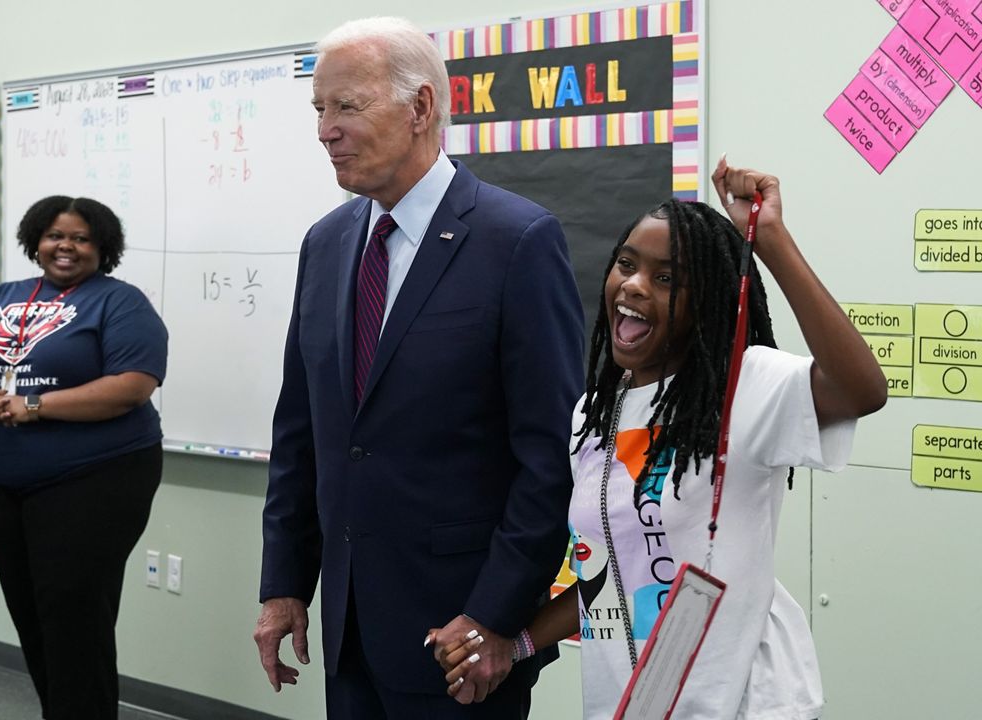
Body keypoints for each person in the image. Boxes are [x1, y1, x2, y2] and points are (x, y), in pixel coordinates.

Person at [438, 159, 887, 718]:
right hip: (627, 701)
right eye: (626, 264)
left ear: (707, 301)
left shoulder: (746, 386)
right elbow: (609, 579)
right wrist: (515, 642)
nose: (633, 285)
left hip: (744, 703)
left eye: (666, 277)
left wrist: (769, 240)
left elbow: (862, 390)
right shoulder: (592, 414)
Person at [254, 16, 585, 718]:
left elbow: (551, 457)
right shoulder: (327, 244)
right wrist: (284, 584)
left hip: (463, 636)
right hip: (349, 631)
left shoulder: (517, 239)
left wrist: (497, 617)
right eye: (319, 109)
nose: (325, 130)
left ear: (422, 108)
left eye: (347, 105)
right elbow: (303, 433)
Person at [0, 195, 167, 720]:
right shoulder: (4, 295)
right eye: (55, 235)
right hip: (5, 487)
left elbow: (132, 386)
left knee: (75, 625)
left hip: (95, 482)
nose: (65, 246)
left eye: (82, 238)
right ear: (35, 241)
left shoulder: (119, 301)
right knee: (34, 621)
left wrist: (35, 406)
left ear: (102, 248)